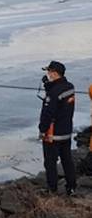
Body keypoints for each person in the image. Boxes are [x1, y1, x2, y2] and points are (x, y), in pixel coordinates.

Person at [39, 61, 77, 196]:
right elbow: (61, 103)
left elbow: (48, 113)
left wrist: (42, 130)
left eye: (49, 72)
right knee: (67, 160)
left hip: (53, 134)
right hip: (66, 131)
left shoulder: (53, 93)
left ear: (54, 73)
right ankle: (71, 187)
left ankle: (52, 189)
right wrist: (48, 86)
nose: (47, 74)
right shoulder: (70, 87)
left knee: (50, 162)